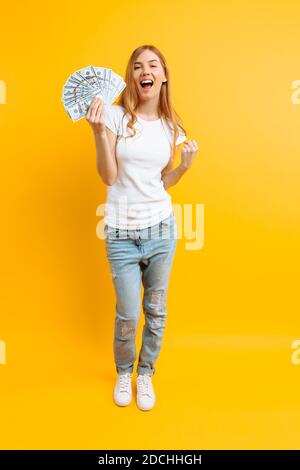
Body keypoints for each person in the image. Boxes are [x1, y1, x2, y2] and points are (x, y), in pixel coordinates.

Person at [86, 45, 198, 411]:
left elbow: (160, 182)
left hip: (161, 232)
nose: (144, 71)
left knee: (156, 309)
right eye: (137, 66)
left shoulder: (171, 127)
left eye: (152, 65)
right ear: (132, 77)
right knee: (128, 313)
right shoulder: (117, 117)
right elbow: (109, 175)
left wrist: (183, 167)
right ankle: (124, 372)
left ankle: (145, 373)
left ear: (163, 75)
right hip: (120, 232)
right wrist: (99, 133)